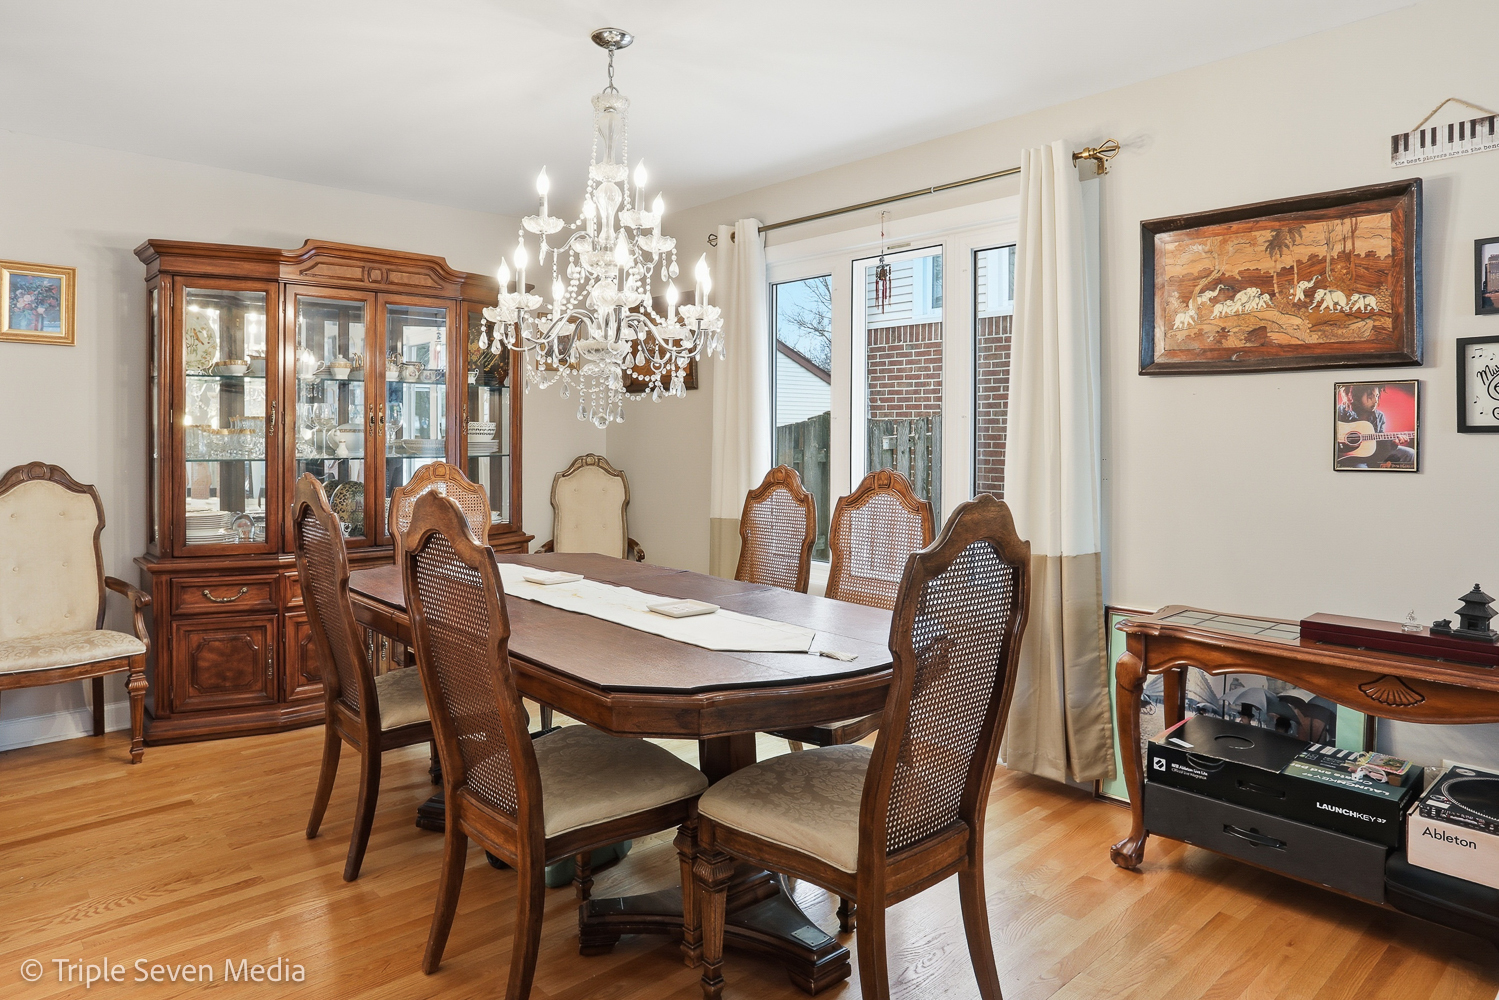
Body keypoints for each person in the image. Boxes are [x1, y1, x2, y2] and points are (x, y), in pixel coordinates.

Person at [1336, 384, 1415, 469]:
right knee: (1361, 470)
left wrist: (1393, 443)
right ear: (1356, 396)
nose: (1375, 401)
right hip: (1351, 459)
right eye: (1370, 397)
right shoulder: (1339, 412)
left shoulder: (1379, 416)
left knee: (1411, 454)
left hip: (1372, 454)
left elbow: (1379, 445)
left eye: (1377, 396)